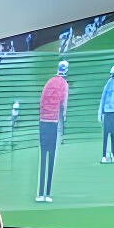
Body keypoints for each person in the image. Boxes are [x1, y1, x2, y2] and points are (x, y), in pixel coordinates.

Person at [35, 61, 69, 200]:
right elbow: (64, 106)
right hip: (53, 122)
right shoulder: (64, 84)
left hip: (42, 122)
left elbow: (42, 101)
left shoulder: (49, 82)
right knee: (51, 157)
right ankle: (47, 194)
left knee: (43, 157)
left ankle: (39, 193)